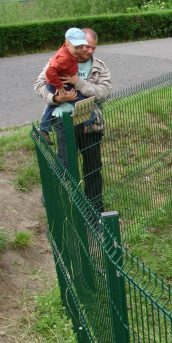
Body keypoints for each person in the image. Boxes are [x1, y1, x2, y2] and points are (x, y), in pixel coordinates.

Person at [34, 28, 112, 215]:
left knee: (93, 167)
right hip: (64, 121)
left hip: (90, 122)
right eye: (85, 47)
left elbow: (104, 93)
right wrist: (55, 98)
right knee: (65, 162)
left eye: (93, 48)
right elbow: (39, 85)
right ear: (76, 44)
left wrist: (79, 82)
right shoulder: (59, 59)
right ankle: (54, 200)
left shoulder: (99, 67)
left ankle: (94, 211)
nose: (89, 51)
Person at [38, 28, 89, 140]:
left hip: (61, 80)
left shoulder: (69, 52)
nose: (79, 50)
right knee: (79, 99)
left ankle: (44, 128)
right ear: (67, 44)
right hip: (56, 83)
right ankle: (88, 123)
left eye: (81, 47)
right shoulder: (64, 58)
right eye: (76, 47)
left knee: (54, 104)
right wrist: (59, 86)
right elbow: (50, 71)